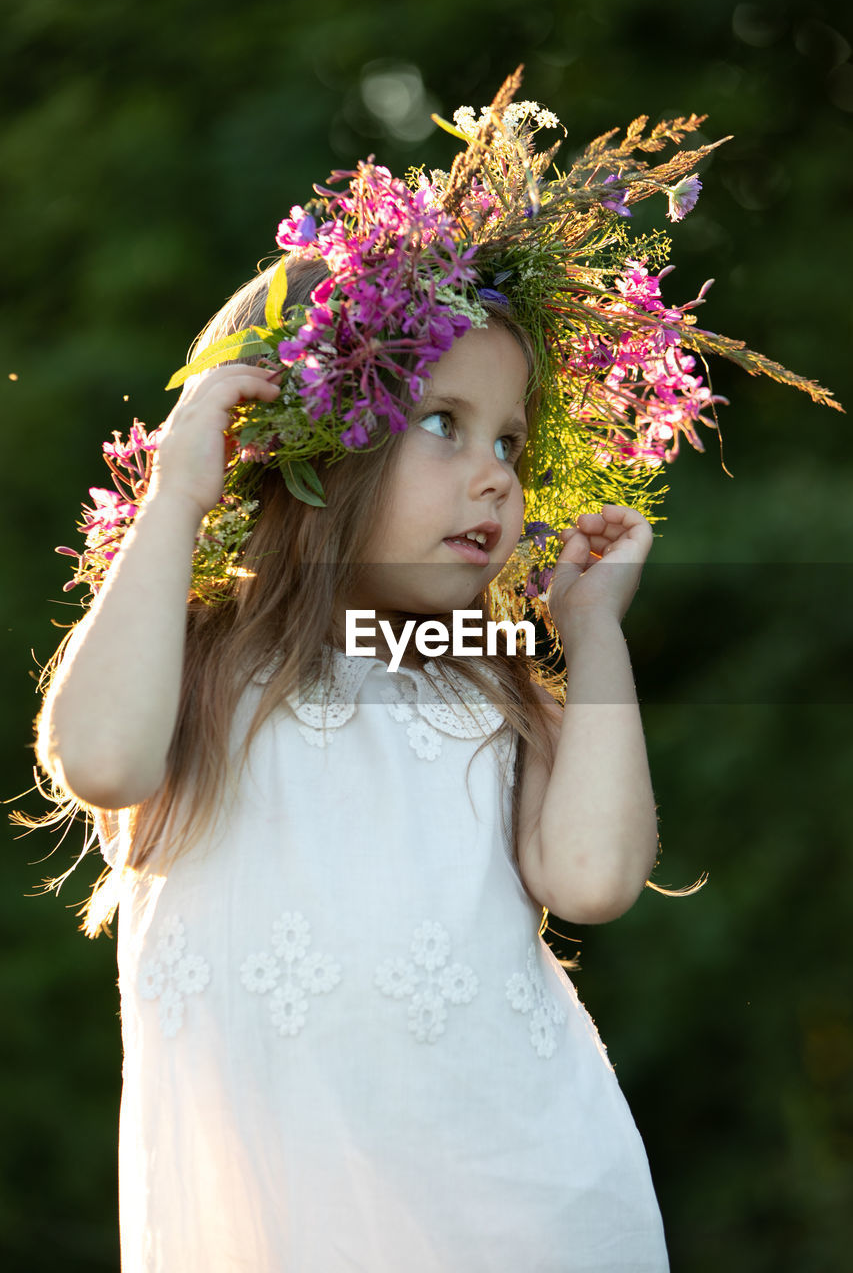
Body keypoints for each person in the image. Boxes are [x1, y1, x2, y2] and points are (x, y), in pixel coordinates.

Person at [30, 75, 830, 1272]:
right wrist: (178, 492)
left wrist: (592, 630)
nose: (497, 474)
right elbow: (93, 757)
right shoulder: (202, 656)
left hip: (520, 1210)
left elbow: (596, 875)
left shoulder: (483, 673)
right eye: (444, 424)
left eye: (510, 439)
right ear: (312, 453)